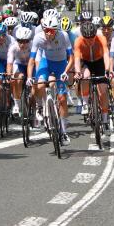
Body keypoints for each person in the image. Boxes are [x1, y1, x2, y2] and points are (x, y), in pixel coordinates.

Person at [27, 16, 74, 145]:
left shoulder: (63, 36)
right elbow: (31, 60)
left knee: (62, 98)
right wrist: (29, 77)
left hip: (61, 65)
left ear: (56, 30)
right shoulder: (38, 38)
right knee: (40, 85)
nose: (48, 33)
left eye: (52, 31)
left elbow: (71, 57)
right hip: (45, 63)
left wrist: (66, 72)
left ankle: (63, 132)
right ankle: (41, 107)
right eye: (46, 30)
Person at [74, 21, 111, 129]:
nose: (90, 40)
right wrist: (77, 72)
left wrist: (107, 69)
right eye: (87, 38)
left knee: (103, 92)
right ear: (83, 36)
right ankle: (85, 103)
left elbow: (106, 55)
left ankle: (105, 118)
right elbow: (76, 59)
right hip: (86, 62)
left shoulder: (101, 38)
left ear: (95, 34)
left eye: (92, 37)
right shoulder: (78, 41)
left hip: (99, 62)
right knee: (85, 76)